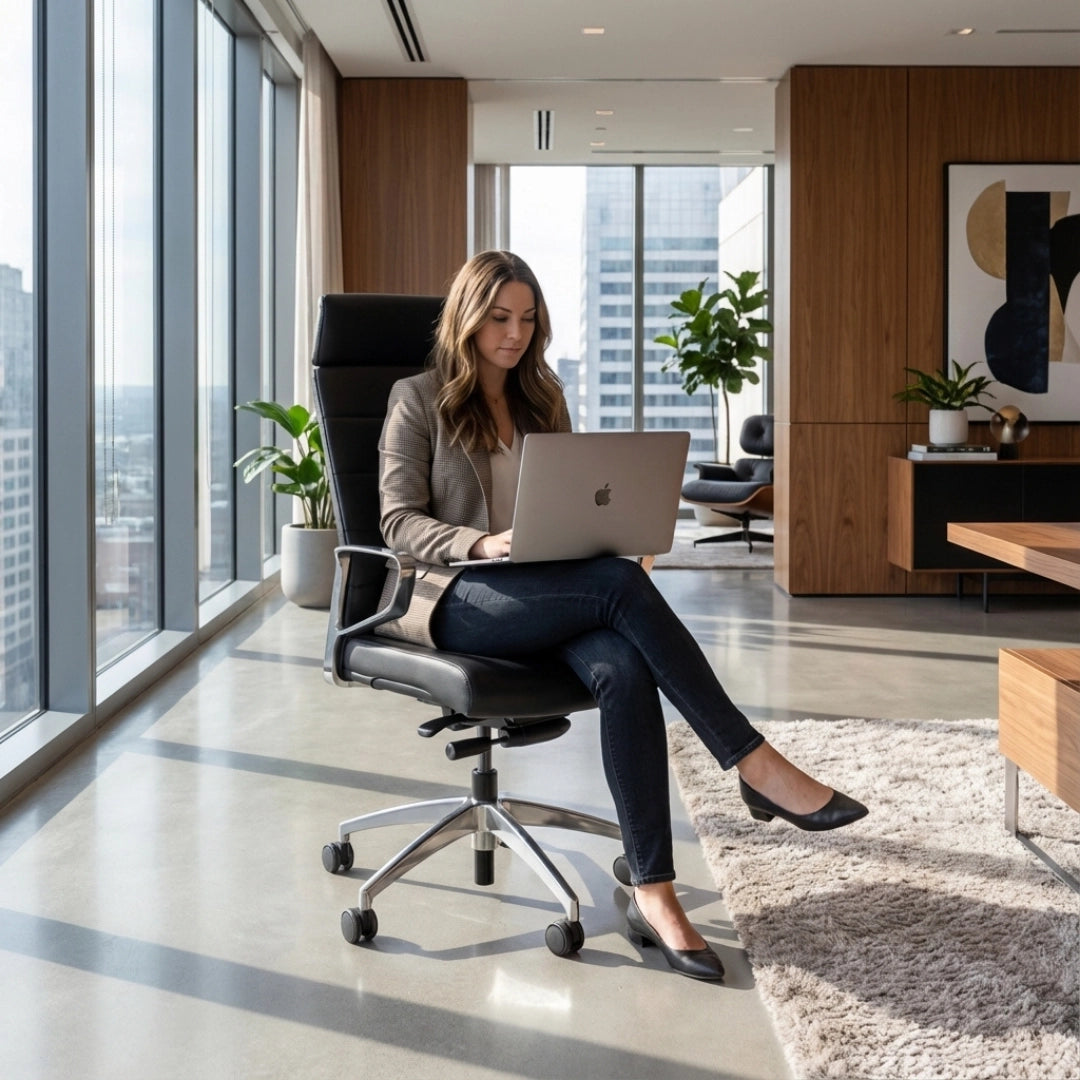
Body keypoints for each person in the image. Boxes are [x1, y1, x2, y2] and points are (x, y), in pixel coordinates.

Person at [377, 250, 867, 981]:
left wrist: (613, 538)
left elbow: (574, 500)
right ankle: (754, 763)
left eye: (527, 318)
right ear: (467, 318)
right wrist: (482, 541)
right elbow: (395, 522)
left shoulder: (544, 398)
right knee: (616, 589)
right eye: (500, 318)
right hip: (456, 597)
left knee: (622, 663)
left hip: (547, 586)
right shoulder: (417, 398)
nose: (515, 333)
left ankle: (652, 888)